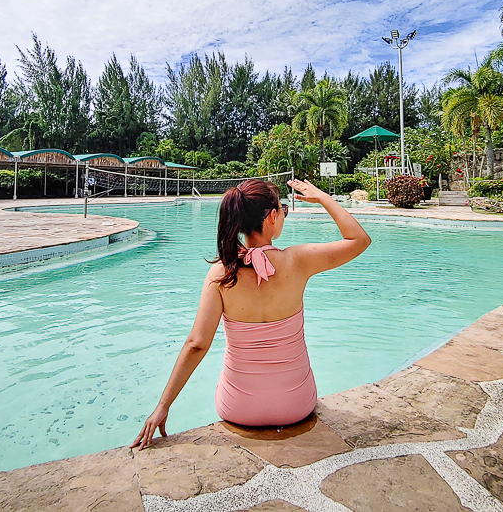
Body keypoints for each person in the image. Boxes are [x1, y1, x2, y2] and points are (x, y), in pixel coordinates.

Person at [131, 177, 371, 450]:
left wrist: (163, 406)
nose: (284, 215)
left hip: (237, 408)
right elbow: (359, 239)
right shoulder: (298, 261)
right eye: (283, 210)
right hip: (297, 405)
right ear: (271, 217)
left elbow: (197, 344)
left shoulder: (222, 273)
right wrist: (323, 198)